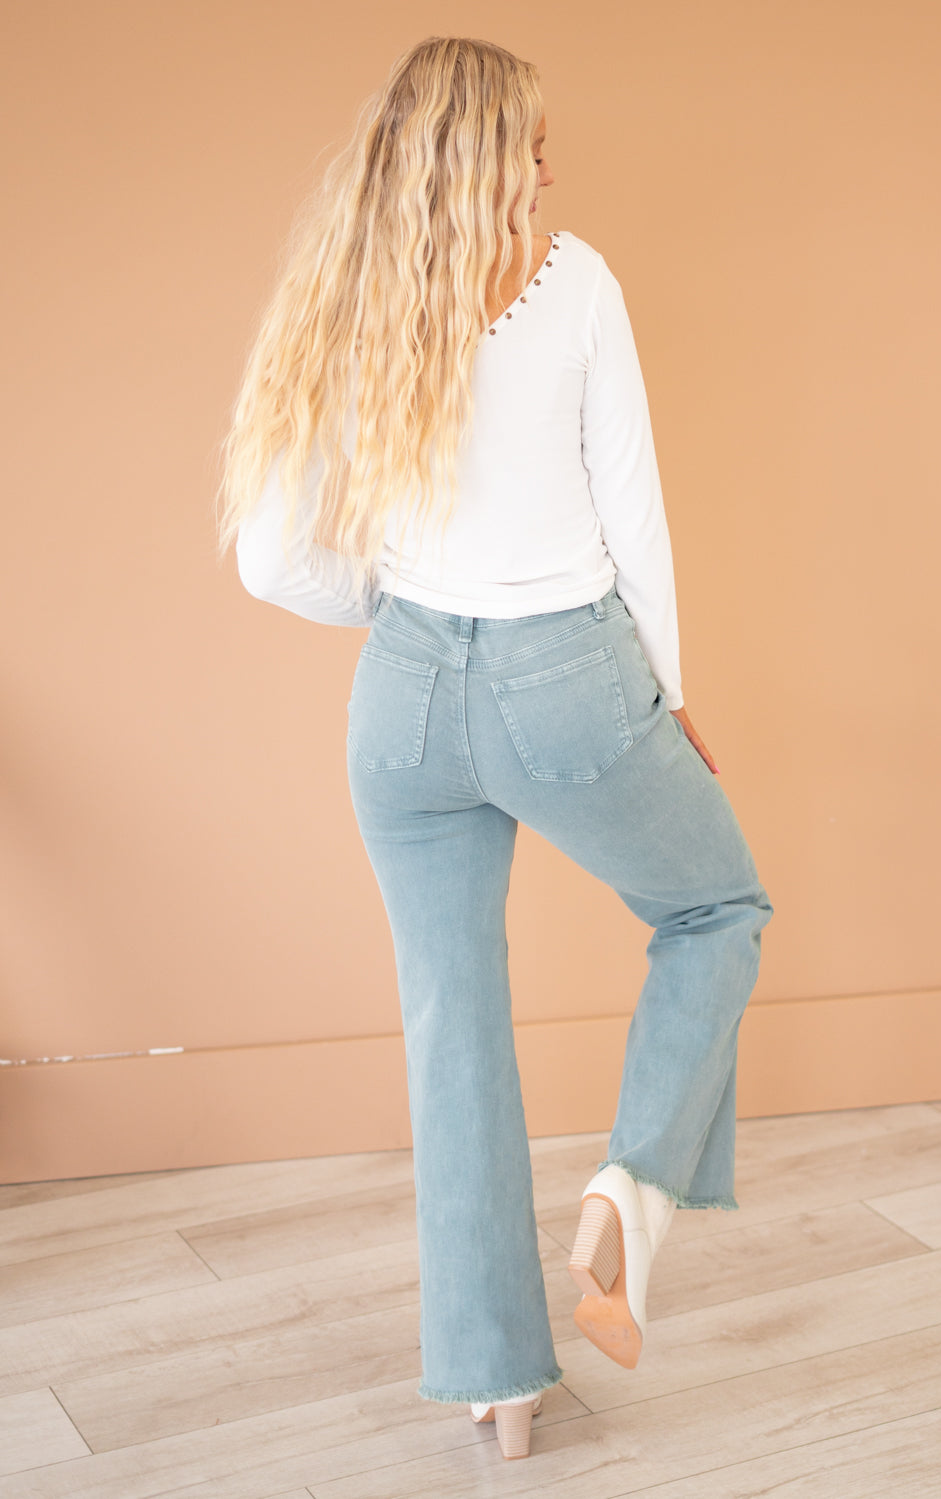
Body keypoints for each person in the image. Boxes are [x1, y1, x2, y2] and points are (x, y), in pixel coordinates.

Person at [215, 35, 774, 1463]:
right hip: (567, 679)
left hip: (401, 703)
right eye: (529, 145)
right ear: (478, 160)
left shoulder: (341, 295)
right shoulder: (574, 281)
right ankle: (632, 1199)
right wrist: (670, 692)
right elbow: (634, 514)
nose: (547, 170)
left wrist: (397, 612)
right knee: (717, 909)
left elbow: (271, 557)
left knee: (449, 1022)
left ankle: (496, 1388)